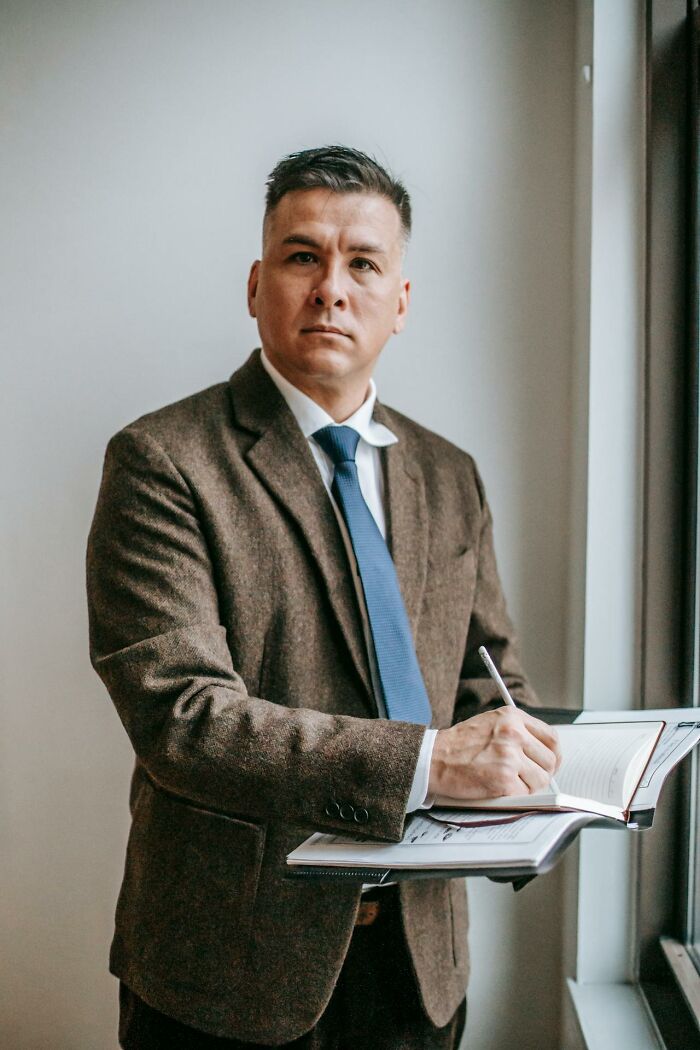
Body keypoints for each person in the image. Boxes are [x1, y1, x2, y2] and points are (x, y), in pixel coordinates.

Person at [87, 145, 561, 1050]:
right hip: (231, 973)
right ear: (258, 284)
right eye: (304, 257)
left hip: (422, 969)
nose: (332, 288)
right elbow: (183, 718)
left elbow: (488, 681)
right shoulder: (161, 461)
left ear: (402, 303)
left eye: (364, 263)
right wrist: (431, 763)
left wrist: (548, 775)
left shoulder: (449, 474)